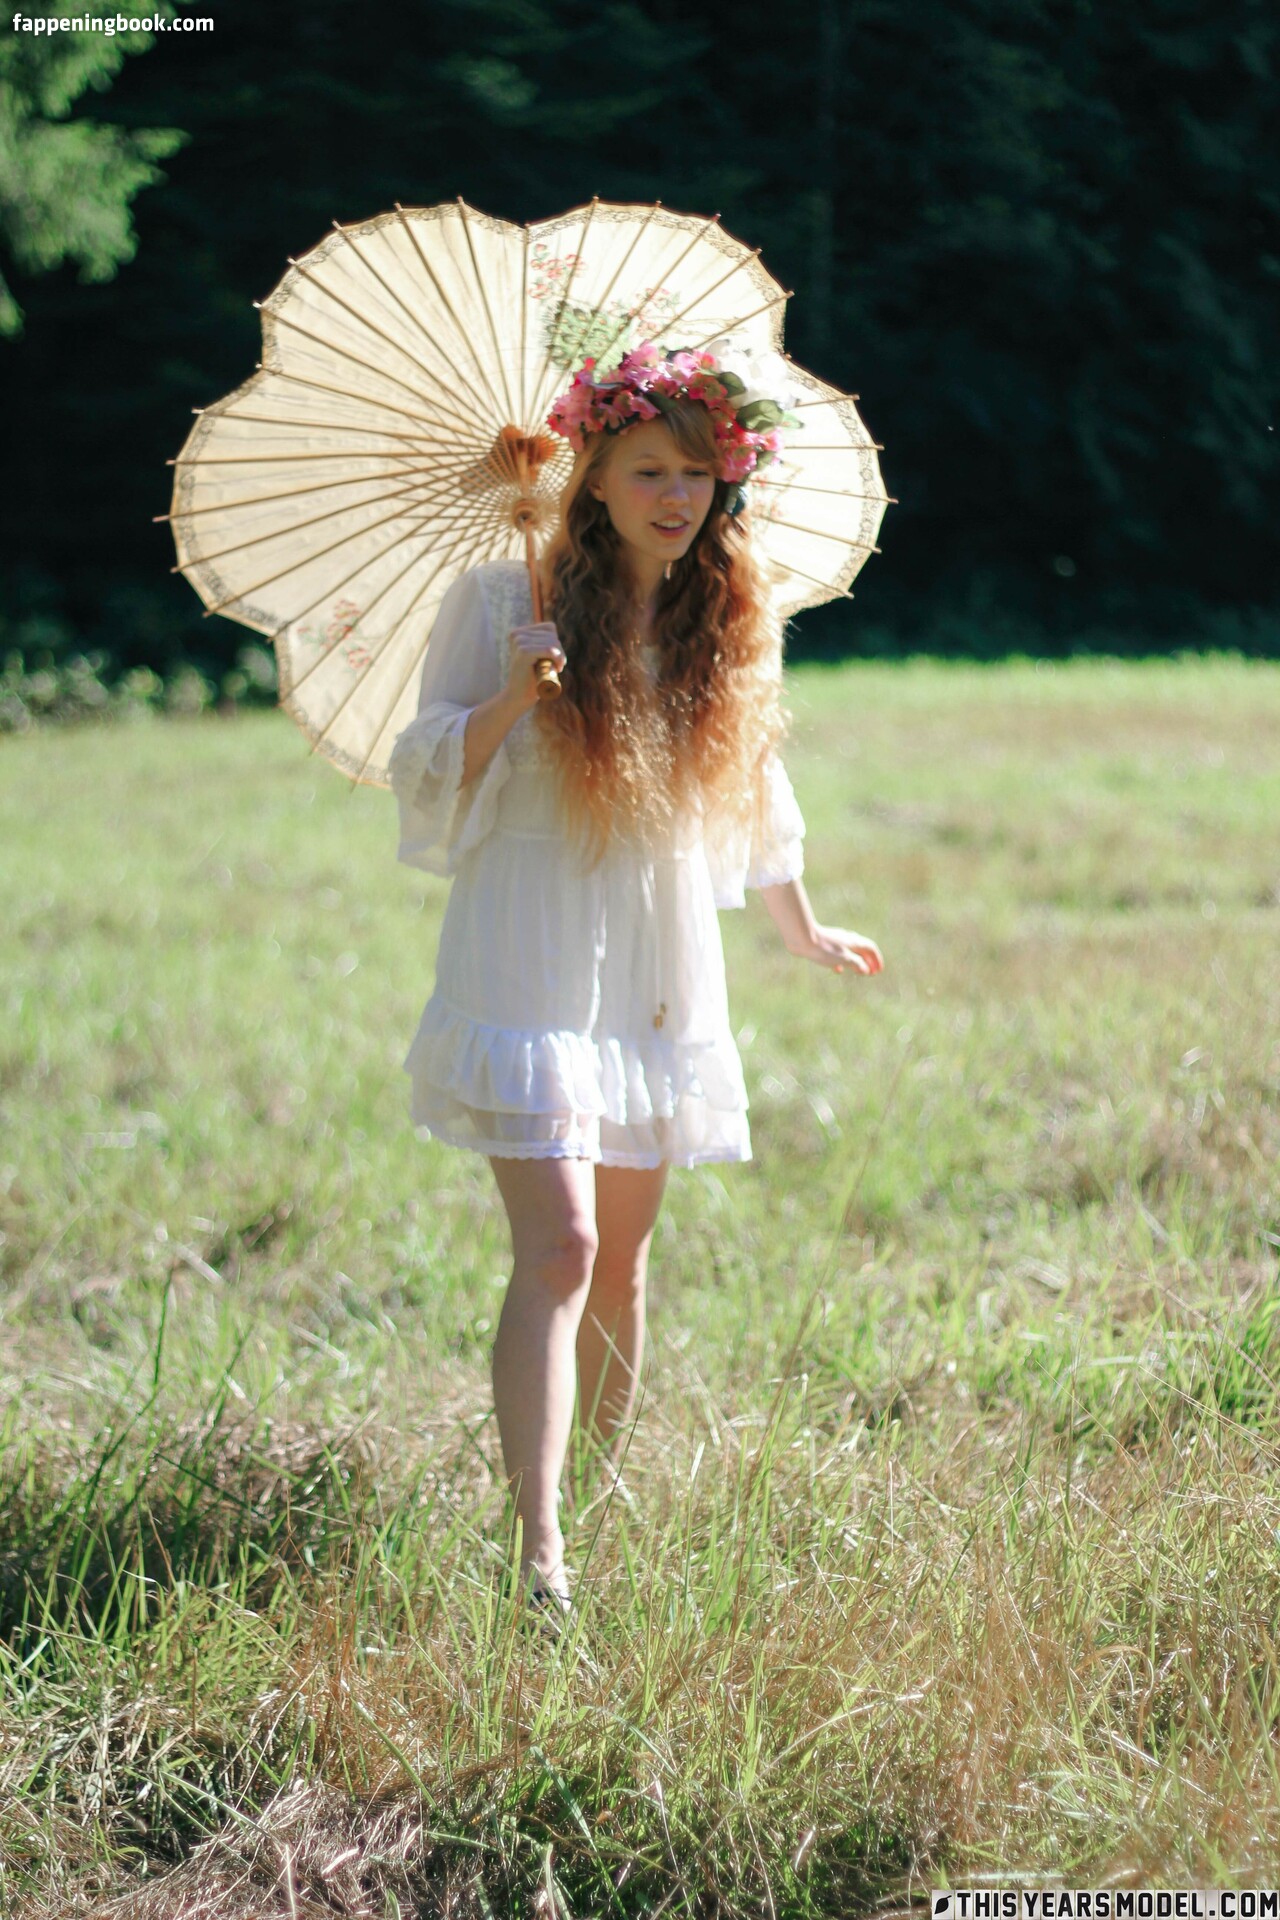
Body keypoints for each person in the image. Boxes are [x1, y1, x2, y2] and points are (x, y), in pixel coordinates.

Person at [388, 341, 883, 1620]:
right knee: (560, 1245)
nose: (675, 495)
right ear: (593, 476)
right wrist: (511, 698)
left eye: (697, 474)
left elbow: (754, 787)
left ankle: (595, 1498)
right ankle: (537, 1551)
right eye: (649, 469)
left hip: (656, 958)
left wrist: (801, 928)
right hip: (529, 942)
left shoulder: (727, 619)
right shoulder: (500, 599)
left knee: (621, 1264)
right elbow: (423, 770)